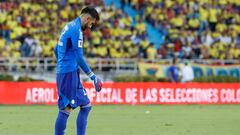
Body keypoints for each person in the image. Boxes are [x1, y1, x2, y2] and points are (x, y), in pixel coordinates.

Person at [53, 6, 102, 135]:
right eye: (91, 23)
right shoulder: (76, 31)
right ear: (87, 18)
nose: (90, 27)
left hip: (69, 71)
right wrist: (93, 77)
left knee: (86, 106)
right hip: (68, 74)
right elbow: (79, 58)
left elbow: (56, 49)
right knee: (66, 109)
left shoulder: (68, 26)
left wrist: (62, 62)